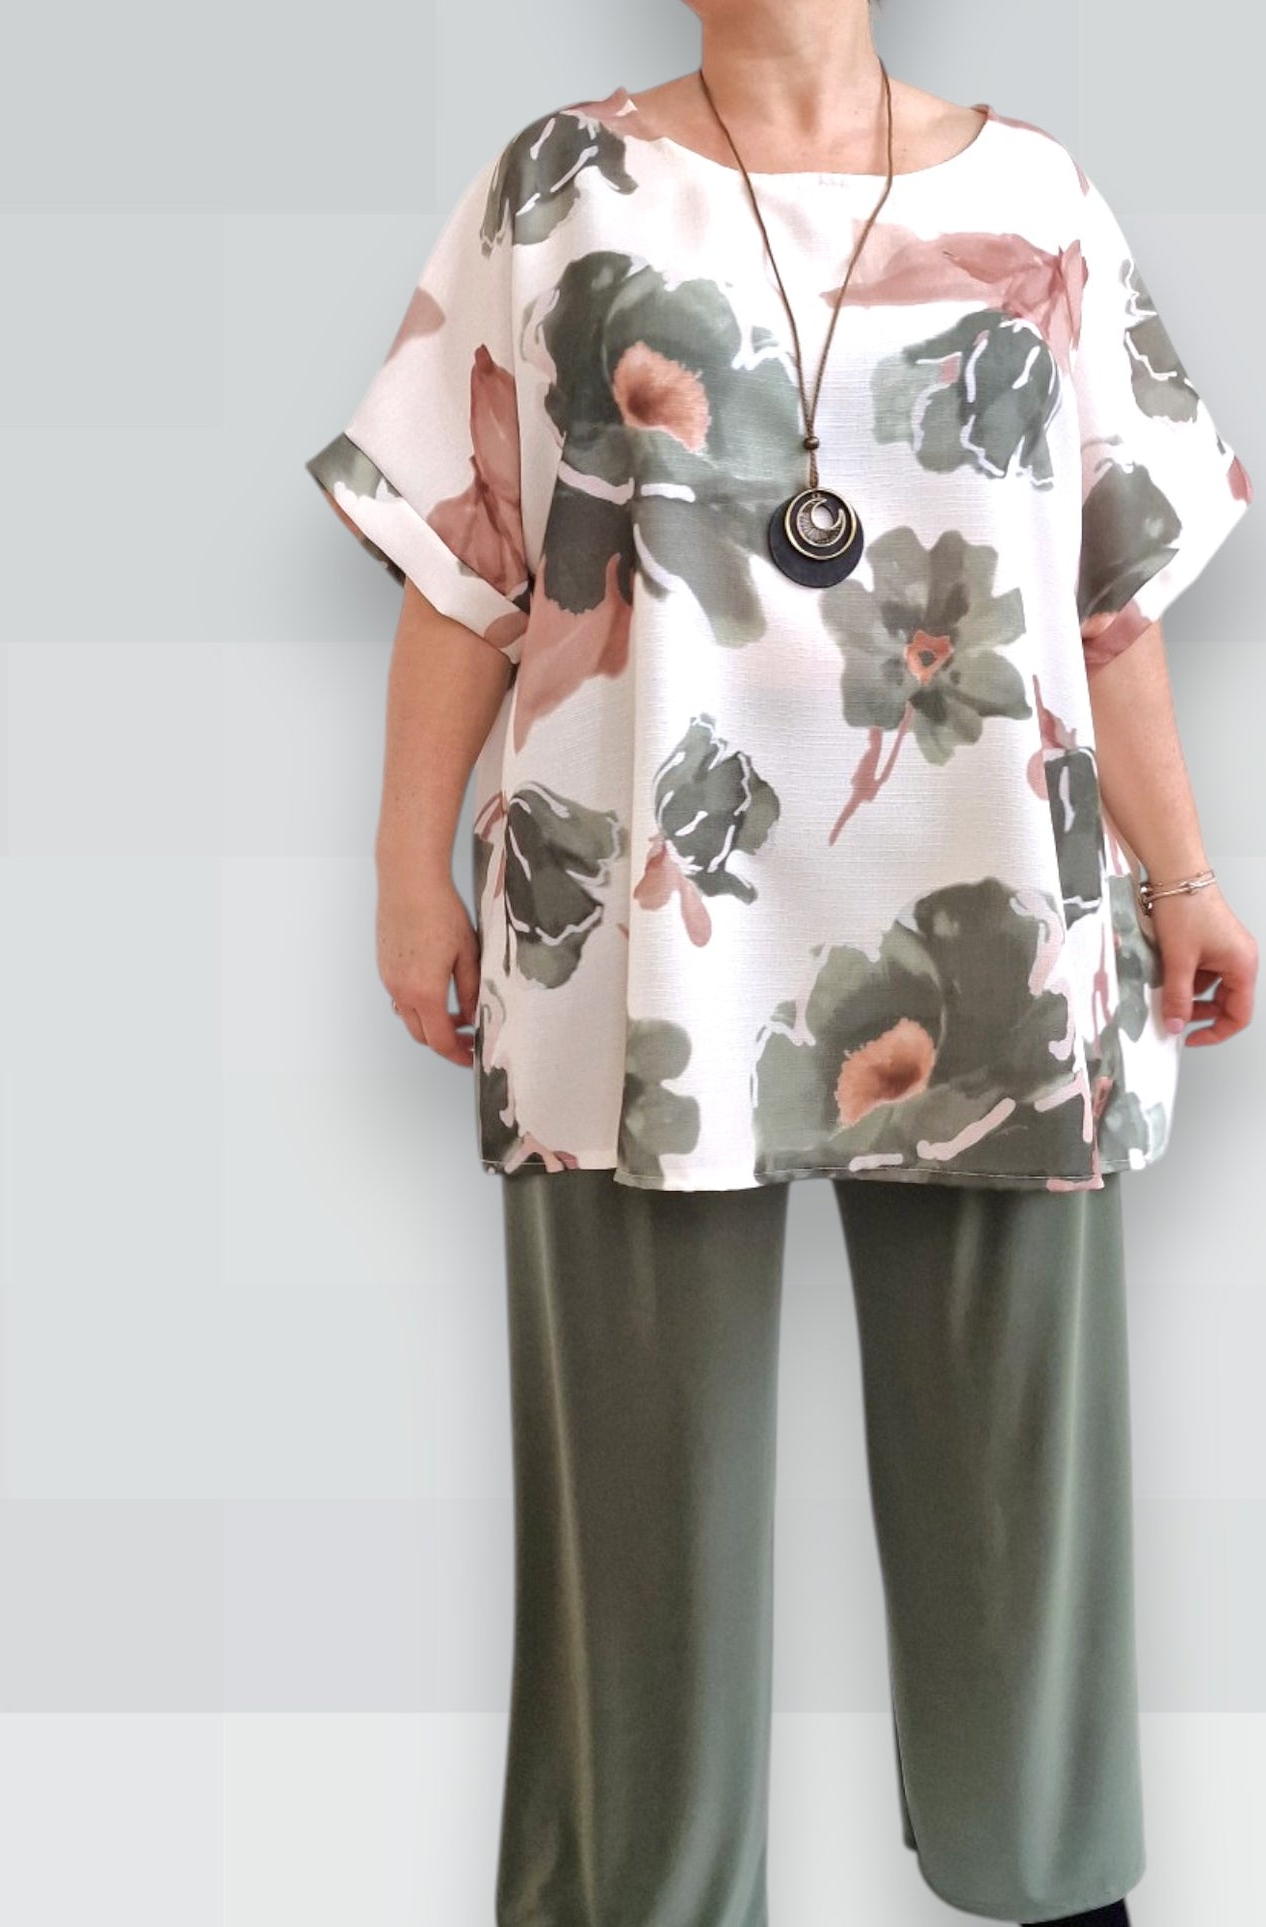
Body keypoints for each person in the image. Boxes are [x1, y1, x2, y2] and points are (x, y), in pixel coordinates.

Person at [305, 3, 1258, 1921]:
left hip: (993, 899)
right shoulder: (560, 184)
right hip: (637, 920)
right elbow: (465, 558)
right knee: (635, 1481)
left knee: (1020, 1470)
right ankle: (642, 1898)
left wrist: (1184, 878)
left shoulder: (1036, 196)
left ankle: (1045, 1882)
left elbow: (1104, 586)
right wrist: (407, 870)